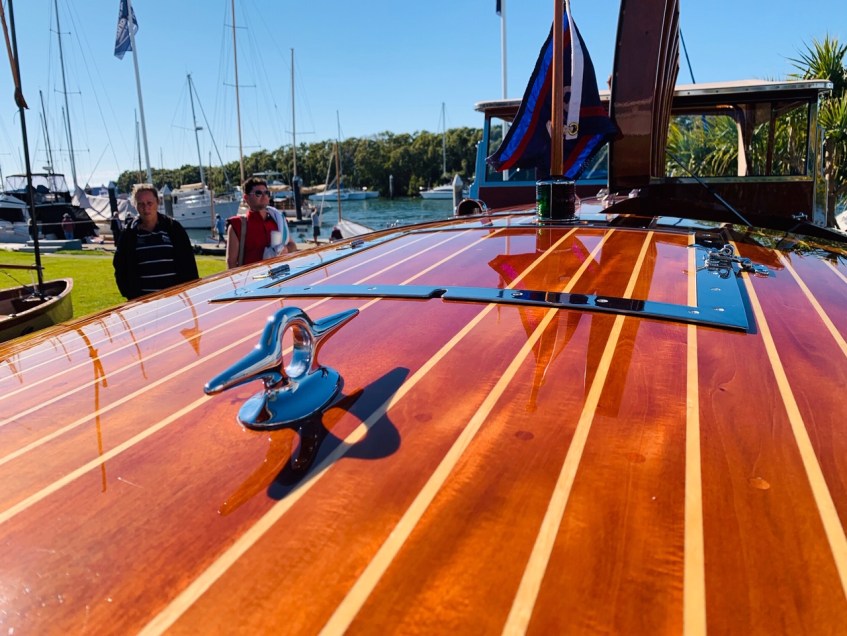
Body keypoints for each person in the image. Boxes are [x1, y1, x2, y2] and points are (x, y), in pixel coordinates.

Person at [113, 184, 199, 300]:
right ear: (135, 206)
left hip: (175, 300)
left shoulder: (173, 228)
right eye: (141, 204)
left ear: (157, 202)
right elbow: (120, 266)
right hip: (143, 302)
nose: (146, 208)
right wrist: (129, 294)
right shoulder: (129, 234)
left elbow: (188, 262)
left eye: (149, 203)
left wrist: (190, 291)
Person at [226, 177, 297, 269]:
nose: (264, 196)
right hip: (252, 277)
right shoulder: (238, 225)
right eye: (258, 193)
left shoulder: (278, 221)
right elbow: (231, 262)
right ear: (246, 197)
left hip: (278, 275)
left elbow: (292, 245)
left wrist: (286, 249)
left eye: (266, 193)